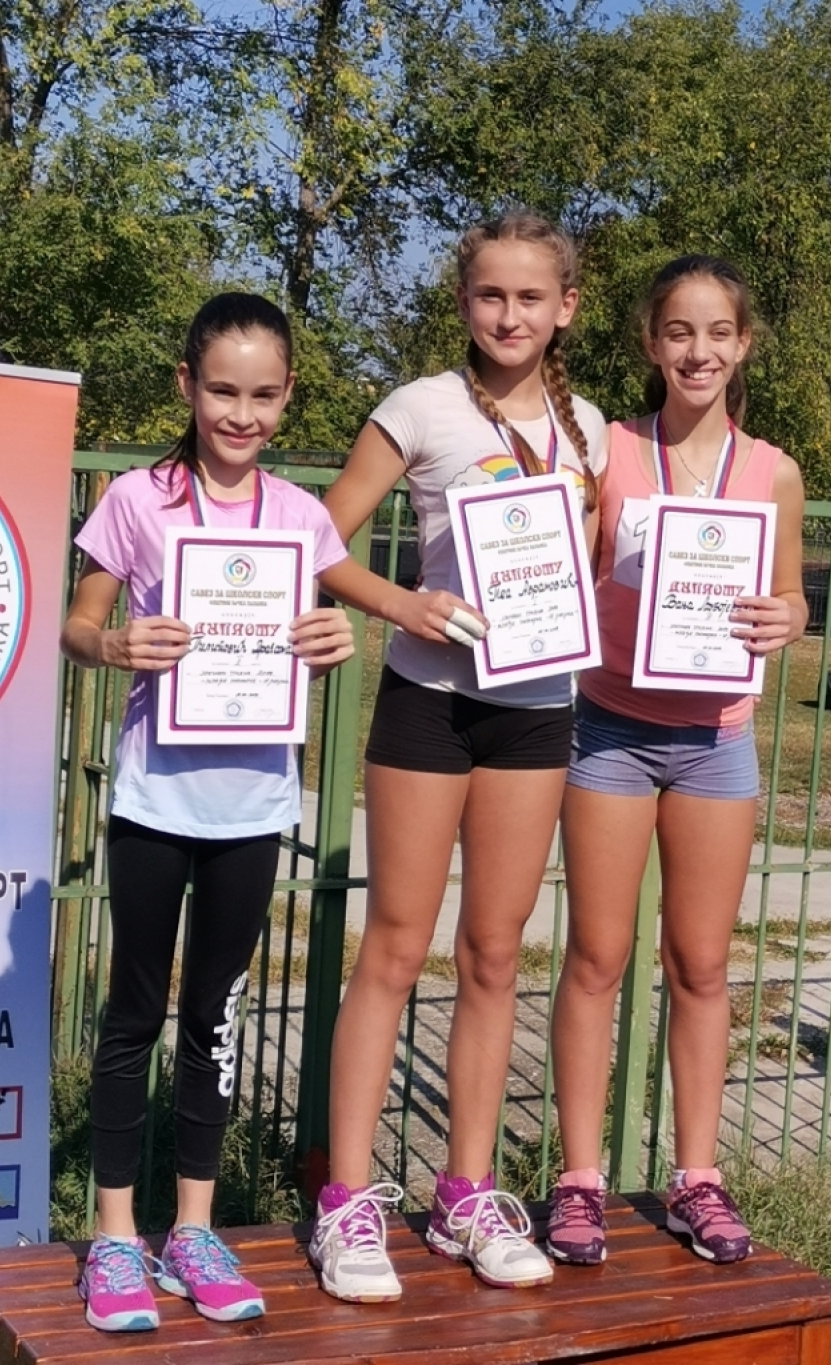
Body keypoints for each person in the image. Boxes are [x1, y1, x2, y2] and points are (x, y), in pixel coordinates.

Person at [305, 211, 607, 1302]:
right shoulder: (420, 406)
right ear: (464, 302)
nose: (509, 315)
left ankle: (465, 1194)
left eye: (530, 297)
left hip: (535, 712)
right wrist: (404, 605)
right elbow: (322, 539)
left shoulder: (591, 430)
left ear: (565, 308)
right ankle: (345, 1203)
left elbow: (593, 569)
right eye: (490, 295)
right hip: (427, 707)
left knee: (492, 953)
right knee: (394, 947)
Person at [63, 292, 357, 1332]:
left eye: (263, 396)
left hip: (251, 807)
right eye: (223, 391)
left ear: (288, 395)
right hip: (155, 797)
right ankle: (113, 1236)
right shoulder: (137, 500)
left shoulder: (301, 517)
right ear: (187, 385)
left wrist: (333, 641)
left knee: (215, 1019)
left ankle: (192, 1228)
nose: (242, 414)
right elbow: (78, 622)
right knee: (134, 1014)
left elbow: (326, 619)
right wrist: (113, 645)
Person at [546, 255, 808, 1267]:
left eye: (718, 333)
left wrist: (787, 617)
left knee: (700, 965)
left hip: (716, 742)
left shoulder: (772, 471)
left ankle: (697, 1176)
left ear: (743, 345)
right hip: (609, 730)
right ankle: (579, 1181)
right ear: (652, 343)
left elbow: (790, 596)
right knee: (596, 959)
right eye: (679, 332)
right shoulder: (608, 451)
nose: (699, 351)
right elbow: (564, 570)